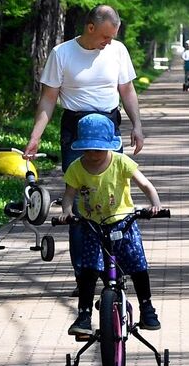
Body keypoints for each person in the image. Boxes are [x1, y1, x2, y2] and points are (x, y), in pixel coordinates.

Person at [60, 112, 165, 338]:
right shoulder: (76, 168)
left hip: (122, 222)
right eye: (88, 149)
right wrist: (67, 212)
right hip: (93, 225)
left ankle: (147, 308)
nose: (93, 154)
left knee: (137, 264)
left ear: (109, 146)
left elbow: (146, 185)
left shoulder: (121, 162)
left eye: (98, 149)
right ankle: (84, 314)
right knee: (88, 269)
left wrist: (155, 205)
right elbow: (69, 195)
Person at [24, 5, 146, 176]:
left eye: (112, 37)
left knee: (112, 181)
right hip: (75, 128)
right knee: (76, 186)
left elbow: (127, 91)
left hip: (108, 125)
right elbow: (48, 99)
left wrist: (137, 126)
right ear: (90, 28)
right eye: (105, 36)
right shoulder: (61, 53)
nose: (109, 42)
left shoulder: (118, 50)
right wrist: (35, 137)